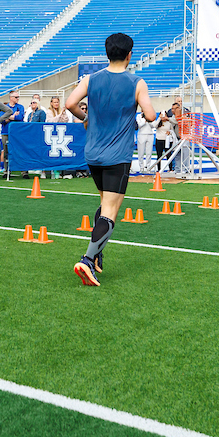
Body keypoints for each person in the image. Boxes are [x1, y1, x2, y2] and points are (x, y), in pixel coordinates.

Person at [66, 32, 156, 286]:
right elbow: (150, 116)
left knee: (105, 202)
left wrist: (86, 118)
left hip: (93, 153)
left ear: (107, 54)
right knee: (111, 210)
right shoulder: (136, 82)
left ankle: (97, 254)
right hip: (118, 155)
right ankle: (87, 259)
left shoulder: (91, 79)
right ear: (129, 55)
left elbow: (70, 103)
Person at [1, 90, 25, 174]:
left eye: (18, 97)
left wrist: (9, 117)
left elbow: (20, 117)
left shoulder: (20, 107)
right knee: (6, 152)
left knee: (20, 151)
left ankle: (24, 171)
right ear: (11, 98)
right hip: (6, 132)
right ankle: (6, 170)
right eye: (16, 97)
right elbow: (2, 120)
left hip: (17, 133)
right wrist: (13, 116)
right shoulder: (4, 107)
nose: (18, 98)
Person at [155, 104, 177, 172]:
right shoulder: (158, 122)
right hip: (159, 140)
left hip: (167, 140)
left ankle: (170, 168)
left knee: (168, 155)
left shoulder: (169, 123)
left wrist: (169, 132)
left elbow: (172, 131)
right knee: (159, 155)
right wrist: (159, 118)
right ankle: (159, 169)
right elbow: (154, 126)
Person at [136, 108, 156, 175]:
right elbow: (139, 125)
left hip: (150, 134)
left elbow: (153, 125)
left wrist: (149, 120)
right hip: (142, 135)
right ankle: (141, 167)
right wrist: (144, 119)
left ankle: (148, 167)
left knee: (149, 152)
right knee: (141, 152)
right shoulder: (139, 116)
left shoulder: (150, 115)